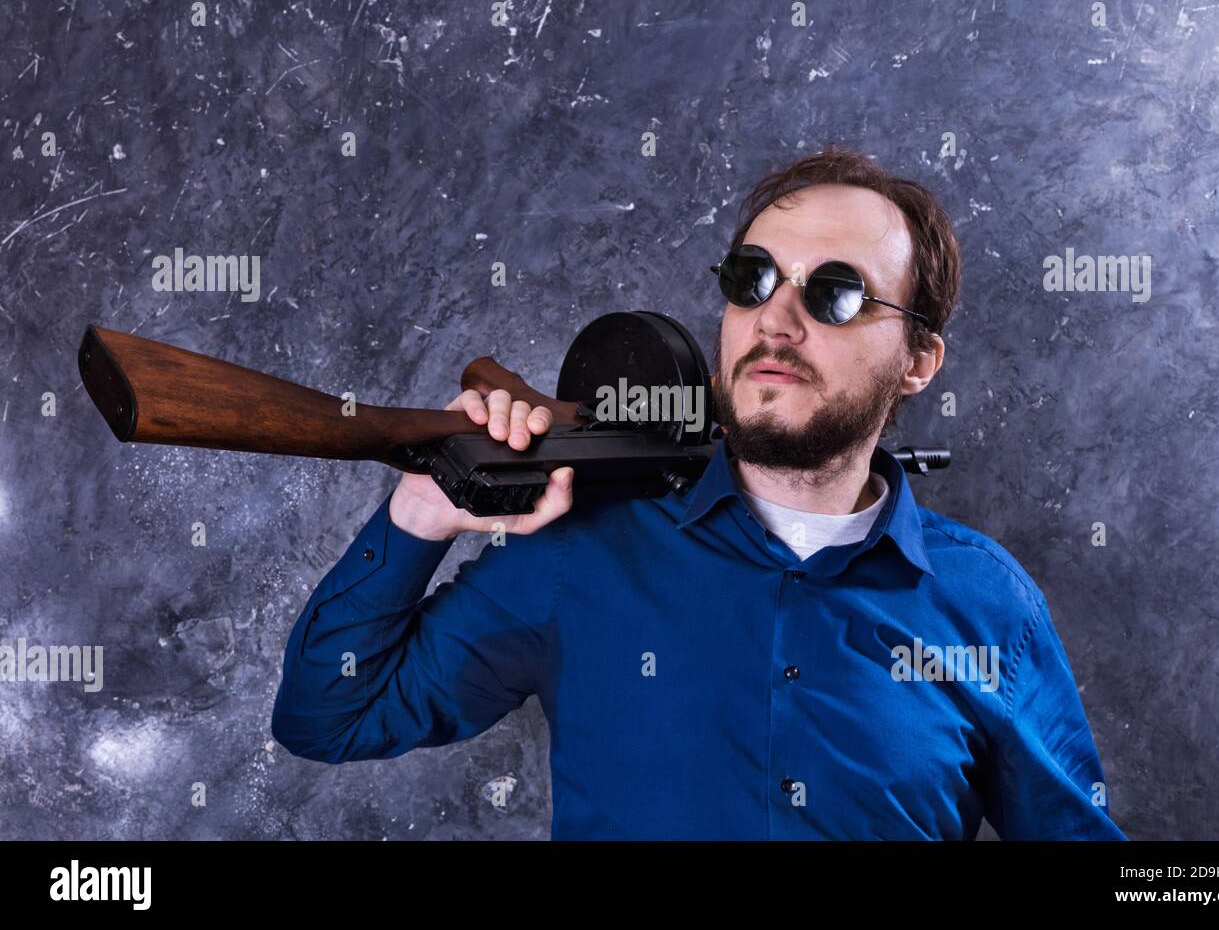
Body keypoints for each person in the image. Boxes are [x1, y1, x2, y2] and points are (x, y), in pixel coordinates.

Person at [271, 142, 1126, 840]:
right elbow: (329, 715)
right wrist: (424, 513)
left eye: (835, 294)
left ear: (918, 360)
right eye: (753, 279)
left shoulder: (987, 604)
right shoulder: (583, 553)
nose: (776, 322)